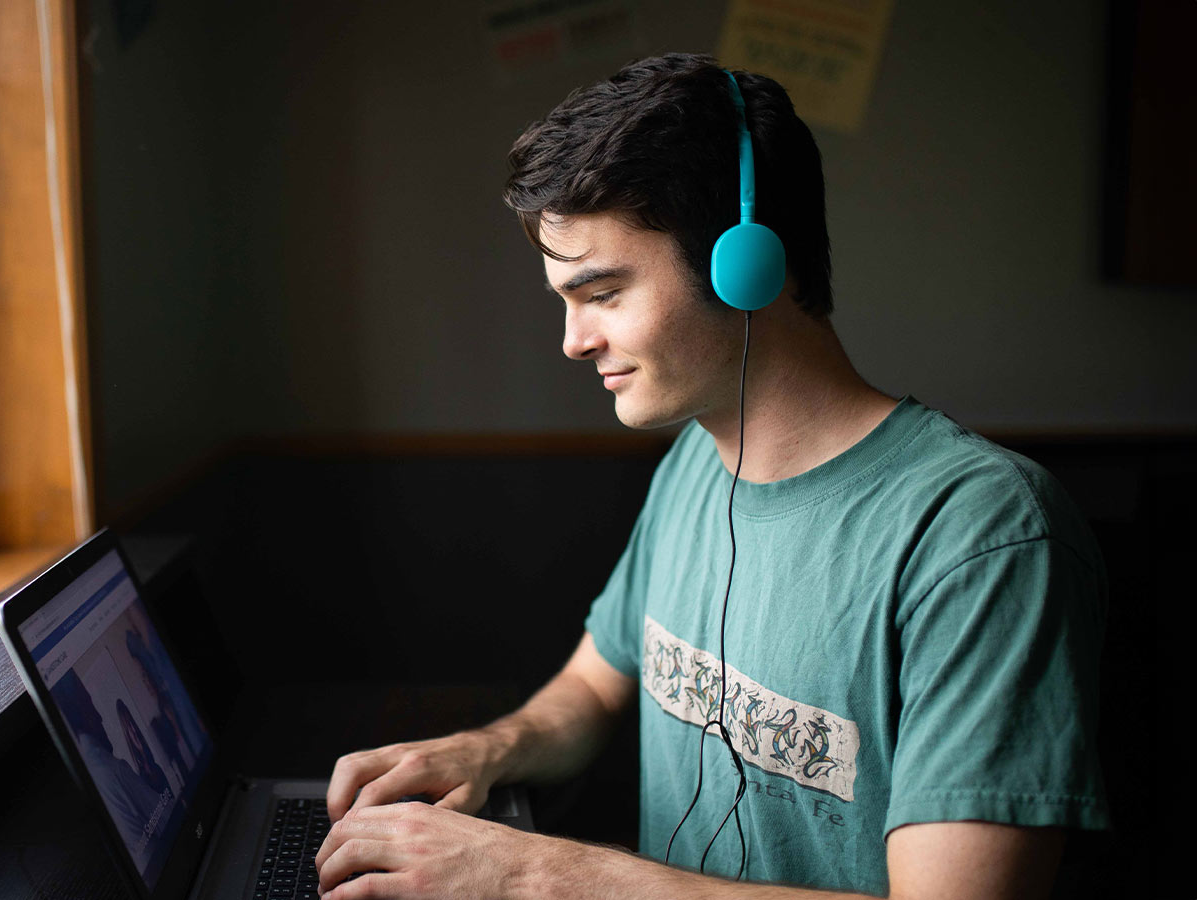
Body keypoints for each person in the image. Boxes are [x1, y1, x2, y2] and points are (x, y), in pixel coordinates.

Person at [313, 53, 1107, 899]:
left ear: (745, 265)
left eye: (604, 291)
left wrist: (540, 877)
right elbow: (591, 685)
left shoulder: (983, 533)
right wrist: (489, 749)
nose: (573, 341)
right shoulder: (695, 461)